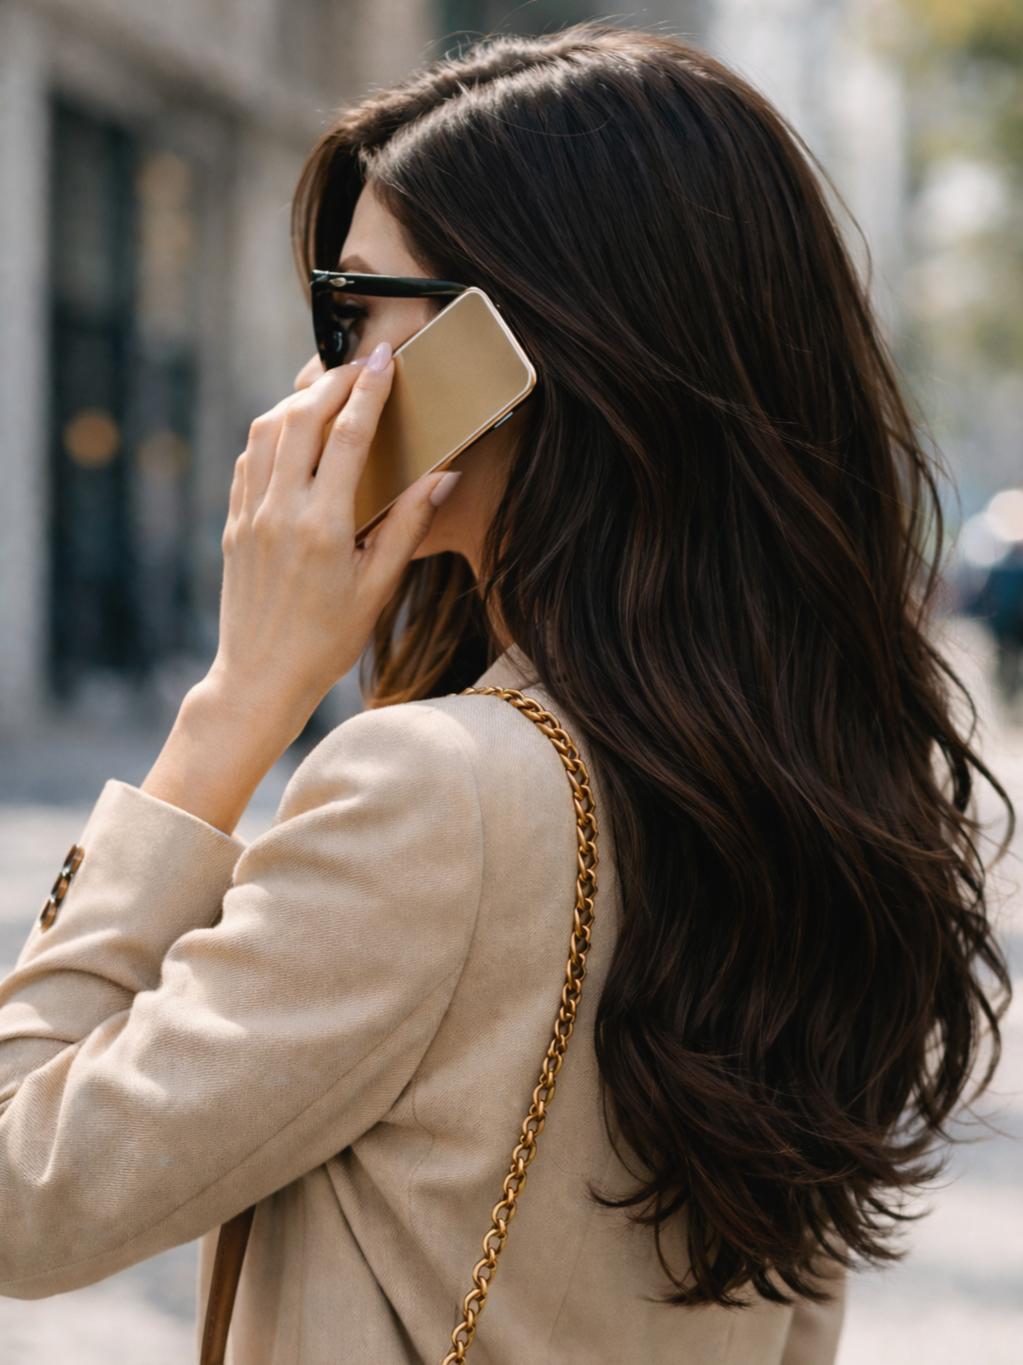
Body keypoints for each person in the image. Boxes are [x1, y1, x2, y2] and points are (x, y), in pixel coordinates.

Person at [0, 27, 1010, 1365]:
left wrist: (235, 704)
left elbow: (22, 1195)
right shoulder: (825, 777)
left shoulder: (437, 795)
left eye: (355, 313)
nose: (316, 381)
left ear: (512, 354)